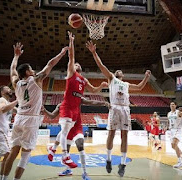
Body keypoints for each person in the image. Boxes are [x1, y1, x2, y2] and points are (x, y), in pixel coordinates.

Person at [2, 42, 68, 180]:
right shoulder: (37, 79)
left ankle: (2, 179)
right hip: (31, 119)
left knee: (13, 153)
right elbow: (50, 64)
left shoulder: (16, 83)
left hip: (19, 118)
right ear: (27, 72)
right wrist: (62, 53)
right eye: (31, 69)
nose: (33, 70)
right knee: (25, 156)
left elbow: (13, 69)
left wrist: (15, 56)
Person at [86, 40, 151, 177]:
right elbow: (101, 65)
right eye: (117, 71)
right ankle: (108, 159)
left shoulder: (126, 84)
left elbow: (139, 87)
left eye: (120, 71)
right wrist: (94, 52)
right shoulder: (111, 79)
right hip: (115, 108)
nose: (118, 71)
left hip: (125, 109)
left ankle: (122, 163)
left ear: (123, 75)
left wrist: (146, 77)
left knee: (125, 135)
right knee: (111, 133)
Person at [58, 32, 107, 180]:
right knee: (65, 139)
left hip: (76, 115)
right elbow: (71, 57)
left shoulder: (83, 80)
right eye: (74, 64)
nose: (76, 64)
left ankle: (85, 173)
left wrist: (101, 86)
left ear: (81, 68)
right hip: (68, 111)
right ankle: (64, 161)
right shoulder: (71, 73)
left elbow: (93, 90)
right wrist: (71, 41)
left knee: (80, 146)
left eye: (78, 64)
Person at [44, 97, 110, 177]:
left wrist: (103, 103)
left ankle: (84, 172)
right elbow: (52, 116)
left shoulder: (77, 100)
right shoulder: (60, 105)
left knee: (80, 146)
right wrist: (44, 110)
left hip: (76, 128)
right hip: (68, 130)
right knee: (66, 151)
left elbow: (91, 102)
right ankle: (68, 169)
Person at [167, 101, 182, 168]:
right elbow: (169, 121)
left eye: (173, 104)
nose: (172, 105)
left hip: (178, 130)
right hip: (171, 130)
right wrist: (167, 127)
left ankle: (180, 162)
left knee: (175, 144)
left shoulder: (178, 112)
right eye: (171, 104)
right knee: (173, 146)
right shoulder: (169, 113)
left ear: (176, 105)